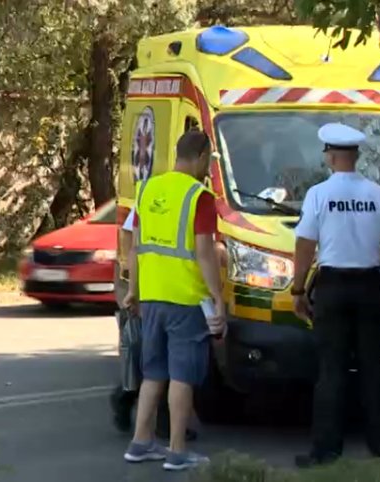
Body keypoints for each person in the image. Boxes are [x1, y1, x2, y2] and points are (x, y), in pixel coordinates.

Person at [291, 123, 380, 468]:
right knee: (373, 367)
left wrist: (298, 289)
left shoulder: (318, 195)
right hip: (370, 286)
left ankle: (326, 450)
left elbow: (304, 244)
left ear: (330, 156)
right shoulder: (379, 194)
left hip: (333, 287)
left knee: (331, 370)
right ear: (355, 156)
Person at [121, 130, 225, 471]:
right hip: (185, 298)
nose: (207, 166)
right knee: (182, 376)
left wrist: (133, 290)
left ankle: (140, 443)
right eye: (208, 159)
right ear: (200, 156)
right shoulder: (200, 196)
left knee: (153, 373)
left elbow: (135, 246)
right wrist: (217, 297)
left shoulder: (147, 189)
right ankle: (177, 451)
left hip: (150, 296)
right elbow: (205, 253)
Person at [110, 207, 197, 442]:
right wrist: (132, 288)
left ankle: (162, 423)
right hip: (149, 288)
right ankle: (126, 397)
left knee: (163, 359)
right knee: (155, 358)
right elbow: (130, 242)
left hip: (166, 288)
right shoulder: (153, 198)